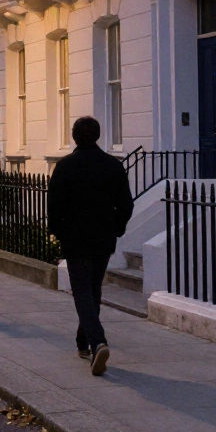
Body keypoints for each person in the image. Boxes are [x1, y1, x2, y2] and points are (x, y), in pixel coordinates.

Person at [47, 116, 134, 377]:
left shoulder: (65, 167)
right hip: (103, 238)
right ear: (97, 136)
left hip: (75, 239)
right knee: (92, 289)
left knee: (82, 290)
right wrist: (116, 228)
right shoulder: (112, 166)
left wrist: (59, 233)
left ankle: (97, 341)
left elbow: (54, 208)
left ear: (74, 137)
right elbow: (126, 205)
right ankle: (82, 342)